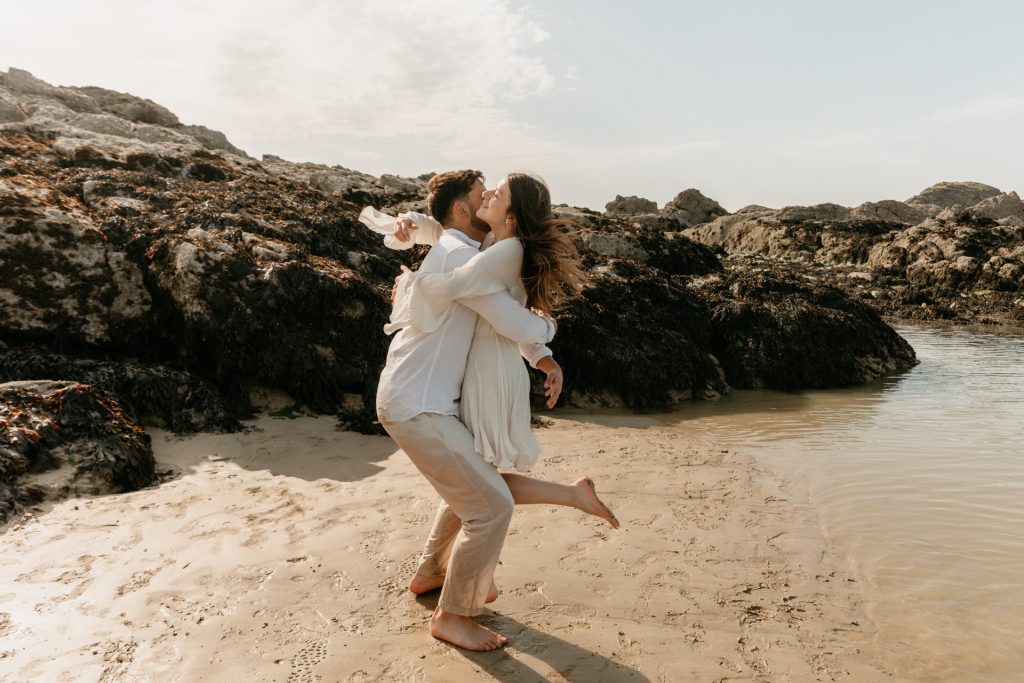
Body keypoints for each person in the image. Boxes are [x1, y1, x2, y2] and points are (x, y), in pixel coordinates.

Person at [362, 171, 616, 652]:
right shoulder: (465, 258)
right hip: (417, 405)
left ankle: (430, 572)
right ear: (463, 211)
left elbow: (490, 307)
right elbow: (509, 317)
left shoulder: (468, 251)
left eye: (494, 196)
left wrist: (542, 358)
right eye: (482, 196)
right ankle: (453, 615)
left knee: (474, 486)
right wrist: (547, 331)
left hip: (424, 401)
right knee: (491, 506)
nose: (488, 199)